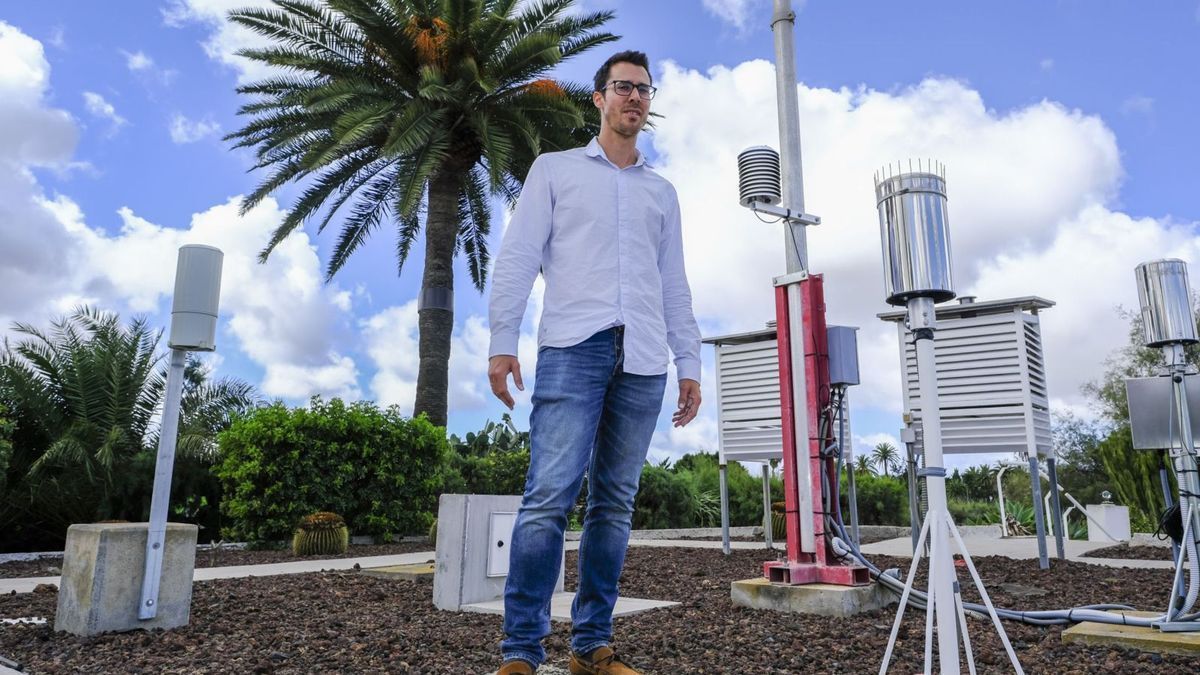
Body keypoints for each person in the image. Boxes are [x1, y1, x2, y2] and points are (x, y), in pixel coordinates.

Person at [487, 50, 702, 675]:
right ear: (599, 98)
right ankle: (521, 651)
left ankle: (591, 647)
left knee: (614, 504)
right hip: (572, 347)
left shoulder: (662, 192)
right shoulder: (553, 171)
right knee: (548, 497)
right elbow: (519, 256)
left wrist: (688, 360)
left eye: (643, 89)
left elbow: (674, 283)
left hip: (643, 358)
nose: (634, 97)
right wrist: (504, 340)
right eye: (622, 87)